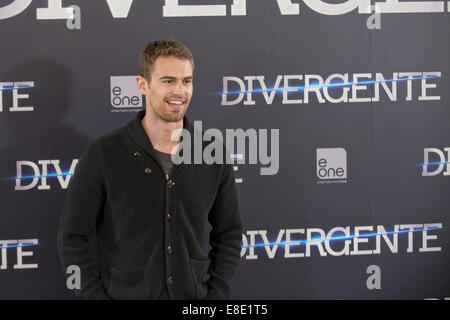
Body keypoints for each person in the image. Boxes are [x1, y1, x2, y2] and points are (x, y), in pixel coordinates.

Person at [57, 39, 242, 300]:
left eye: (186, 81)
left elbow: (230, 233)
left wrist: (216, 295)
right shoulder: (104, 154)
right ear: (143, 85)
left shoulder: (213, 153)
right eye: (168, 81)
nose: (179, 91)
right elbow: (71, 239)